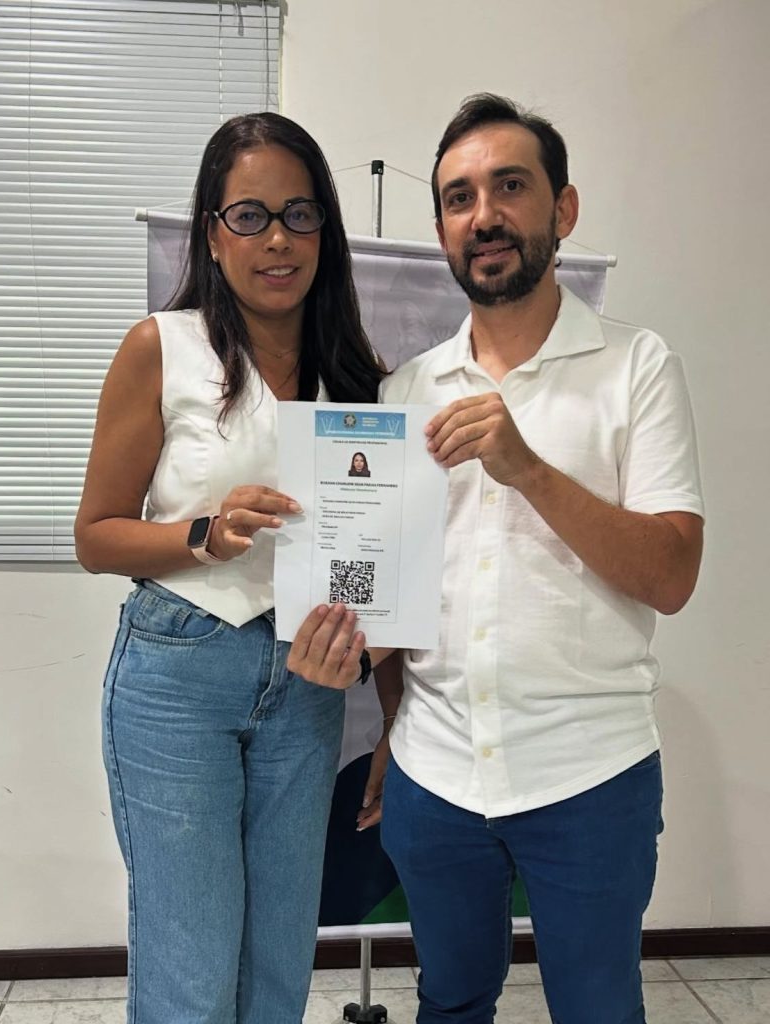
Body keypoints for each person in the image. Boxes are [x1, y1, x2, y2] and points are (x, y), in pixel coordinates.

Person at [287, 94, 704, 1024]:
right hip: (434, 772)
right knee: (450, 1001)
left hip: (590, 774)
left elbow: (671, 575)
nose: (483, 215)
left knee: (598, 1009)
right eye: (458, 197)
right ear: (442, 230)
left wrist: (529, 470)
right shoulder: (406, 391)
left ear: (563, 209)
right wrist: (362, 680)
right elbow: (392, 596)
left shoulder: (637, 367)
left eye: (509, 187)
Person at [74, 112, 383, 1024]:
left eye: (299, 213)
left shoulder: (357, 381)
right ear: (212, 233)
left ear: (325, 230)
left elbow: (380, 568)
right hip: (178, 675)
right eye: (249, 216)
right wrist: (202, 534)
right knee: (192, 975)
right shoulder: (160, 347)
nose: (276, 239)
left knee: (279, 968)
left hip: (307, 688)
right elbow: (96, 536)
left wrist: (389, 704)